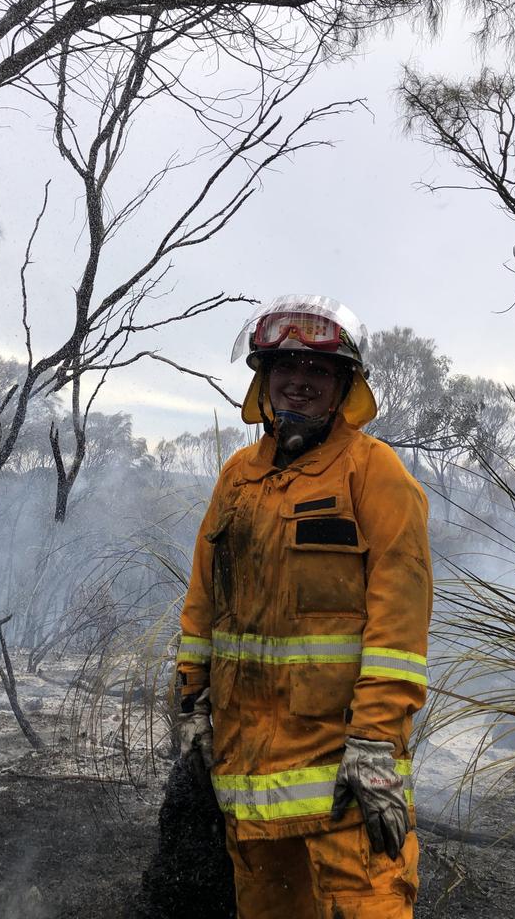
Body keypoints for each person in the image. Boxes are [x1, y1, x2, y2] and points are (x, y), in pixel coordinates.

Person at [175, 294, 433, 919]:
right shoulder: (237, 476)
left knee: (367, 907)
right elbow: (204, 603)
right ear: (262, 378)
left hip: (345, 779)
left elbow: (399, 628)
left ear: (345, 384)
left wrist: (375, 743)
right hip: (247, 776)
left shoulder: (375, 475)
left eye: (317, 370)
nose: (298, 381)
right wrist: (191, 704)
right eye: (283, 366)